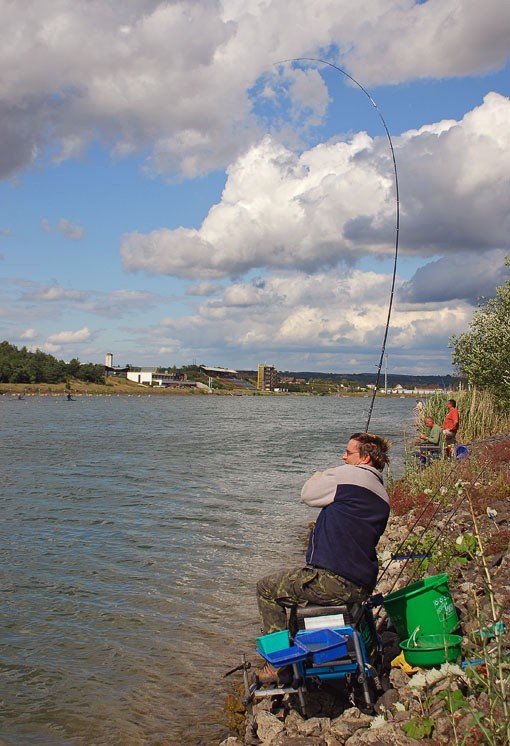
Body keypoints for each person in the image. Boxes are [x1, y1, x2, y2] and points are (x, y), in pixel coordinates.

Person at [256, 432, 391, 643]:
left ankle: (277, 661)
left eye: (348, 453)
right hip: (362, 584)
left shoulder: (348, 476)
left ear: (365, 458)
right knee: (297, 597)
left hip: (335, 581)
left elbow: (308, 494)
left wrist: (325, 474)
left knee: (265, 588)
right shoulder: (383, 496)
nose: (343, 457)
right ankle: (300, 651)